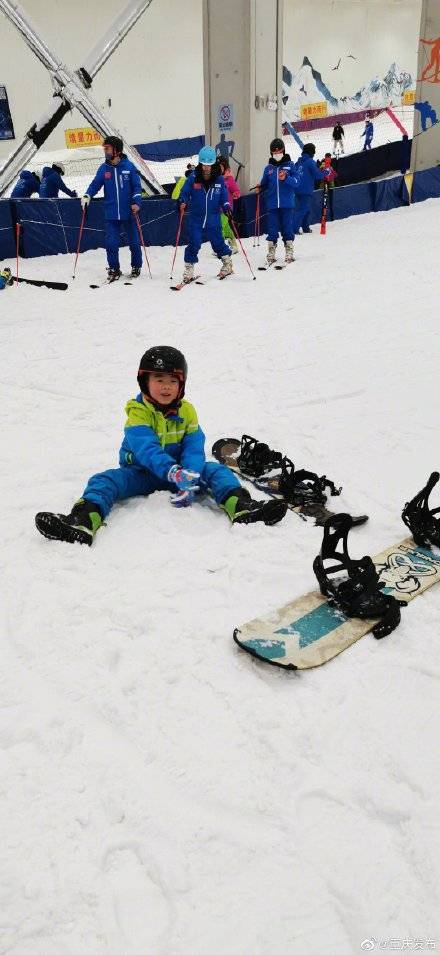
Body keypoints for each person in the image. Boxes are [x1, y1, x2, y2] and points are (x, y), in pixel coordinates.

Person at [35, 346, 287, 545]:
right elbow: (146, 450)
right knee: (103, 481)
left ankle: (242, 508)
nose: (166, 386)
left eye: (172, 381)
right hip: (142, 474)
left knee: (218, 472)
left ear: (181, 385)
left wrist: (189, 473)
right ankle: (82, 523)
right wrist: (172, 472)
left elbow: (194, 445)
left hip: (181, 473)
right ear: (144, 382)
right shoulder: (137, 413)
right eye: (158, 378)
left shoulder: (187, 411)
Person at [81, 136, 143, 282]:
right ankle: (114, 268)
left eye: (107, 148)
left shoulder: (129, 167)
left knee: (134, 242)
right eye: (105, 149)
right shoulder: (104, 169)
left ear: (117, 150)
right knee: (111, 243)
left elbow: (137, 187)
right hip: (111, 213)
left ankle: (136, 266)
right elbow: (95, 184)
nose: (105, 151)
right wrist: (87, 195)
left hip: (129, 212)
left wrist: (137, 202)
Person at [178, 146, 233, 282]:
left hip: (213, 217)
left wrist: (226, 206)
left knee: (218, 242)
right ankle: (189, 268)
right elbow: (184, 192)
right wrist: (182, 201)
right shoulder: (193, 177)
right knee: (194, 242)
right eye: (204, 164)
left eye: (209, 165)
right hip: (196, 218)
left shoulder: (219, 179)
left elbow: (224, 196)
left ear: (213, 163)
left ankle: (227, 264)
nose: (206, 168)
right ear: (200, 163)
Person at [258, 137, 298, 265]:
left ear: (283, 151)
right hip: (272, 204)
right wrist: (260, 186)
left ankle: (289, 250)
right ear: (271, 153)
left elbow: (297, 183)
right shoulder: (268, 168)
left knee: (287, 227)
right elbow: (265, 183)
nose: (277, 154)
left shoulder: (290, 166)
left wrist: (286, 177)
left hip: (287, 204)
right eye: (274, 153)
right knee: (272, 228)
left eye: (279, 152)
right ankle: (271, 251)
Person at [291, 143, 329, 239]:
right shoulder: (310, 162)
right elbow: (317, 175)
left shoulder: (299, 161)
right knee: (303, 209)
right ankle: (294, 228)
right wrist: (325, 172)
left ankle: (305, 227)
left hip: (297, 188)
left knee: (306, 209)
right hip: (306, 189)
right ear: (311, 152)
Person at [218, 156, 241, 253]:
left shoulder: (229, 179)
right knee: (226, 227)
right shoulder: (215, 179)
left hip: (226, 208)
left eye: (221, 167)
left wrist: (236, 194)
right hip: (216, 207)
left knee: (220, 226)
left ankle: (221, 247)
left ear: (225, 167)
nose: (218, 168)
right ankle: (234, 245)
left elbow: (236, 190)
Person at [319, 153, 338, 220]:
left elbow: (333, 174)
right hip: (327, 185)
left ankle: (325, 218)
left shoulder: (326, 165)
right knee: (328, 203)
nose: (329, 159)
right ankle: (330, 218)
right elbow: (333, 175)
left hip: (327, 185)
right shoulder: (325, 165)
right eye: (328, 157)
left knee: (325, 203)